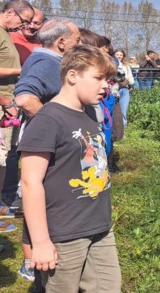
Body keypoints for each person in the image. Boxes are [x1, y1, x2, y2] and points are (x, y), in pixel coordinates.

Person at [19, 44, 121, 292]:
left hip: (99, 228)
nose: (105, 86)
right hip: (63, 234)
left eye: (107, 79)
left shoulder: (87, 114)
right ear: (72, 75)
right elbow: (30, 183)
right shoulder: (47, 120)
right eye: (98, 78)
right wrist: (41, 242)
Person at [4, 19, 81, 281]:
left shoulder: (47, 61)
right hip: (44, 146)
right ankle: (31, 262)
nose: (79, 44)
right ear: (61, 43)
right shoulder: (46, 63)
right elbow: (25, 97)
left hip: (47, 143)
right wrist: (57, 124)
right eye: (77, 40)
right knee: (40, 198)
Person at [0, 0, 33, 234]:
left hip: (7, 105)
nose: (23, 27)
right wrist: (6, 101)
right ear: (10, 12)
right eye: (23, 21)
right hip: (4, 104)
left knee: (5, 158)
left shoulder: (5, 34)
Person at [113, 50, 133, 127]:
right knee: (115, 109)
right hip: (115, 89)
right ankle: (115, 128)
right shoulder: (111, 64)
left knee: (124, 109)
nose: (119, 56)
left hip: (125, 89)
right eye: (117, 54)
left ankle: (123, 127)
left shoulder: (126, 66)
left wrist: (129, 81)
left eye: (121, 55)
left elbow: (130, 77)